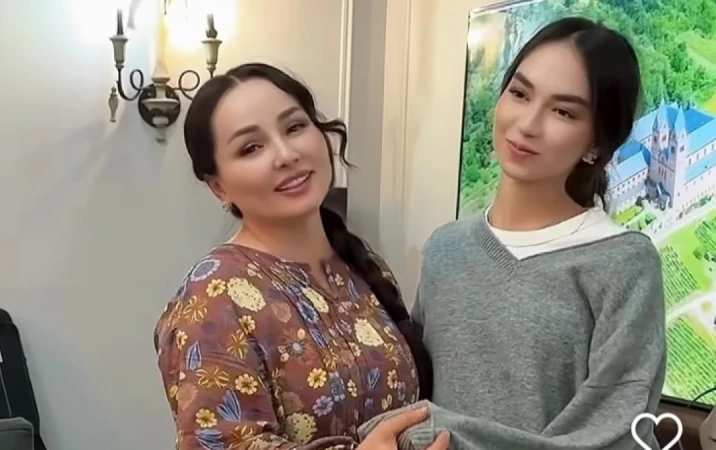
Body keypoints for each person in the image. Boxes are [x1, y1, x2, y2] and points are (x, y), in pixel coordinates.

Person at [366, 17, 666, 450]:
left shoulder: (622, 263)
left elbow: (617, 431)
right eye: (520, 93)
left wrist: (439, 431)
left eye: (563, 111)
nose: (527, 123)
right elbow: (417, 389)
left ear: (597, 145)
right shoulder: (445, 248)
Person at [153, 62, 449, 450]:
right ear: (218, 186)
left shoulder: (362, 267)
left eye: (294, 127)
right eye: (251, 148)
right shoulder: (213, 295)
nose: (286, 154)